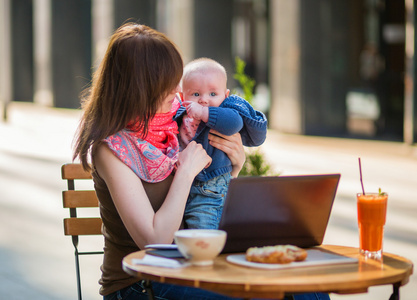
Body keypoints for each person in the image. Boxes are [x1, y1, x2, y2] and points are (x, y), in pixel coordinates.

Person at [73, 23, 329, 300]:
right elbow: (154, 240)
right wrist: (185, 171)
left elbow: (204, 200)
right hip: (141, 283)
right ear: (139, 86)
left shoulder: (178, 119)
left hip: (200, 263)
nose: (176, 88)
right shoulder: (110, 148)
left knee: (304, 286)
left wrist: (232, 168)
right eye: (167, 82)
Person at [176, 58, 267, 230]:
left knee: (202, 228)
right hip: (184, 184)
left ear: (225, 96)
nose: (204, 100)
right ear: (182, 96)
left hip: (210, 187)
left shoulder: (224, 113)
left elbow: (234, 123)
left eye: (212, 94)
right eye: (195, 94)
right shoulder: (180, 114)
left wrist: (204, 113)